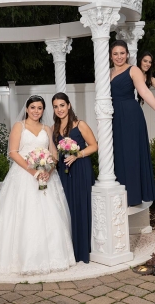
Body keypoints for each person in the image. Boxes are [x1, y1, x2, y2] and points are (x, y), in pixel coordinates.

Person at [0, 95, 76, 275]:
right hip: (23, 175)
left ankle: (54, 258)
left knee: (51, 216)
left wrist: (49, 170)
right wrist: (34, 172)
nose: (36, 111)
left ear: (43, 110)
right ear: (27, 109)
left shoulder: (47, 128)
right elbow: (13, 153)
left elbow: (54, 154)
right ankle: (24, 261)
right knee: (25, 216)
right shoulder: (19, 126)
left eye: (40, 108)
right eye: (33, 107)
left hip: (46, 176)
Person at [110, 40, 155, 206]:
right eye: (115, 53)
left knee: (131, 153)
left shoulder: (133, 70)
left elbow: (144, 91)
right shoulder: (107, 73)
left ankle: (134, 196)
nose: (119, 56)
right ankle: (120, 195)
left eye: (122, 53)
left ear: (127, 54)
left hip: (130, 115)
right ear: (110, 55)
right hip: (113, 117)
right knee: (117, 154)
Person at [51, 92, 98, 264]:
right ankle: (70, 250)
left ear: (69, 105)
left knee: (81, 206)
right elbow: (54, 154)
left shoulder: (80, 125)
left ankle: (83, 250)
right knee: (67, 209)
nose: (59, 109)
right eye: (56, 106)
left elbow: (94, 146)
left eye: (62, 105)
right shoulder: (54, 129)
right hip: (63, 172)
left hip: (80, 169)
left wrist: (77, 154)